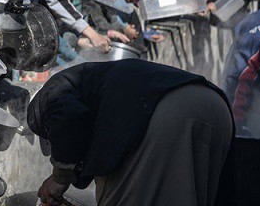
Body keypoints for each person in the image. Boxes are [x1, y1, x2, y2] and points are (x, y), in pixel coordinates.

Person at [29, 59, 233, 206]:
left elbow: (68, 118)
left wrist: (59, 178)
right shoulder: (97, 84)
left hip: (166, 117)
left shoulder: (52, 91)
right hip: (215, 109)